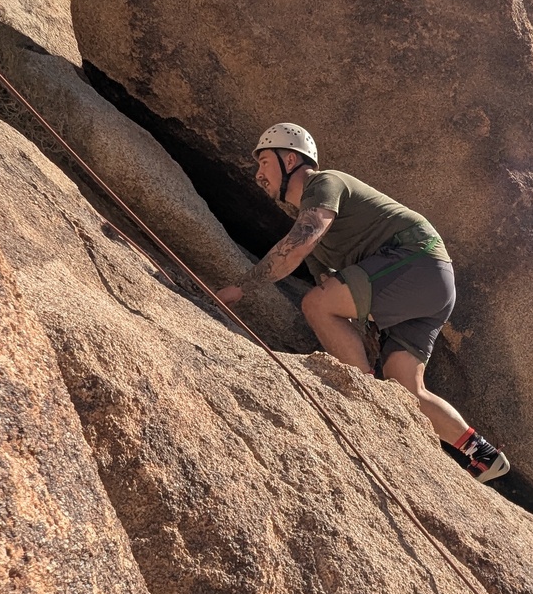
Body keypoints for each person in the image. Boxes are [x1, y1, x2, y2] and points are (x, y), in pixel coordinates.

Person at [217, 123, 510, 482]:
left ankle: (364, 398)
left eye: (264, 162)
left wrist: (242, 288)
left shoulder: (324, 184)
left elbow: (300, 243)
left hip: (416, 261)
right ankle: (481, 453)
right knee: (406, 387)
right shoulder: (320, 222)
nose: (258, 174)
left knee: (316, 305)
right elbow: (327, 281)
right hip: (431, 286)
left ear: (290, 159)